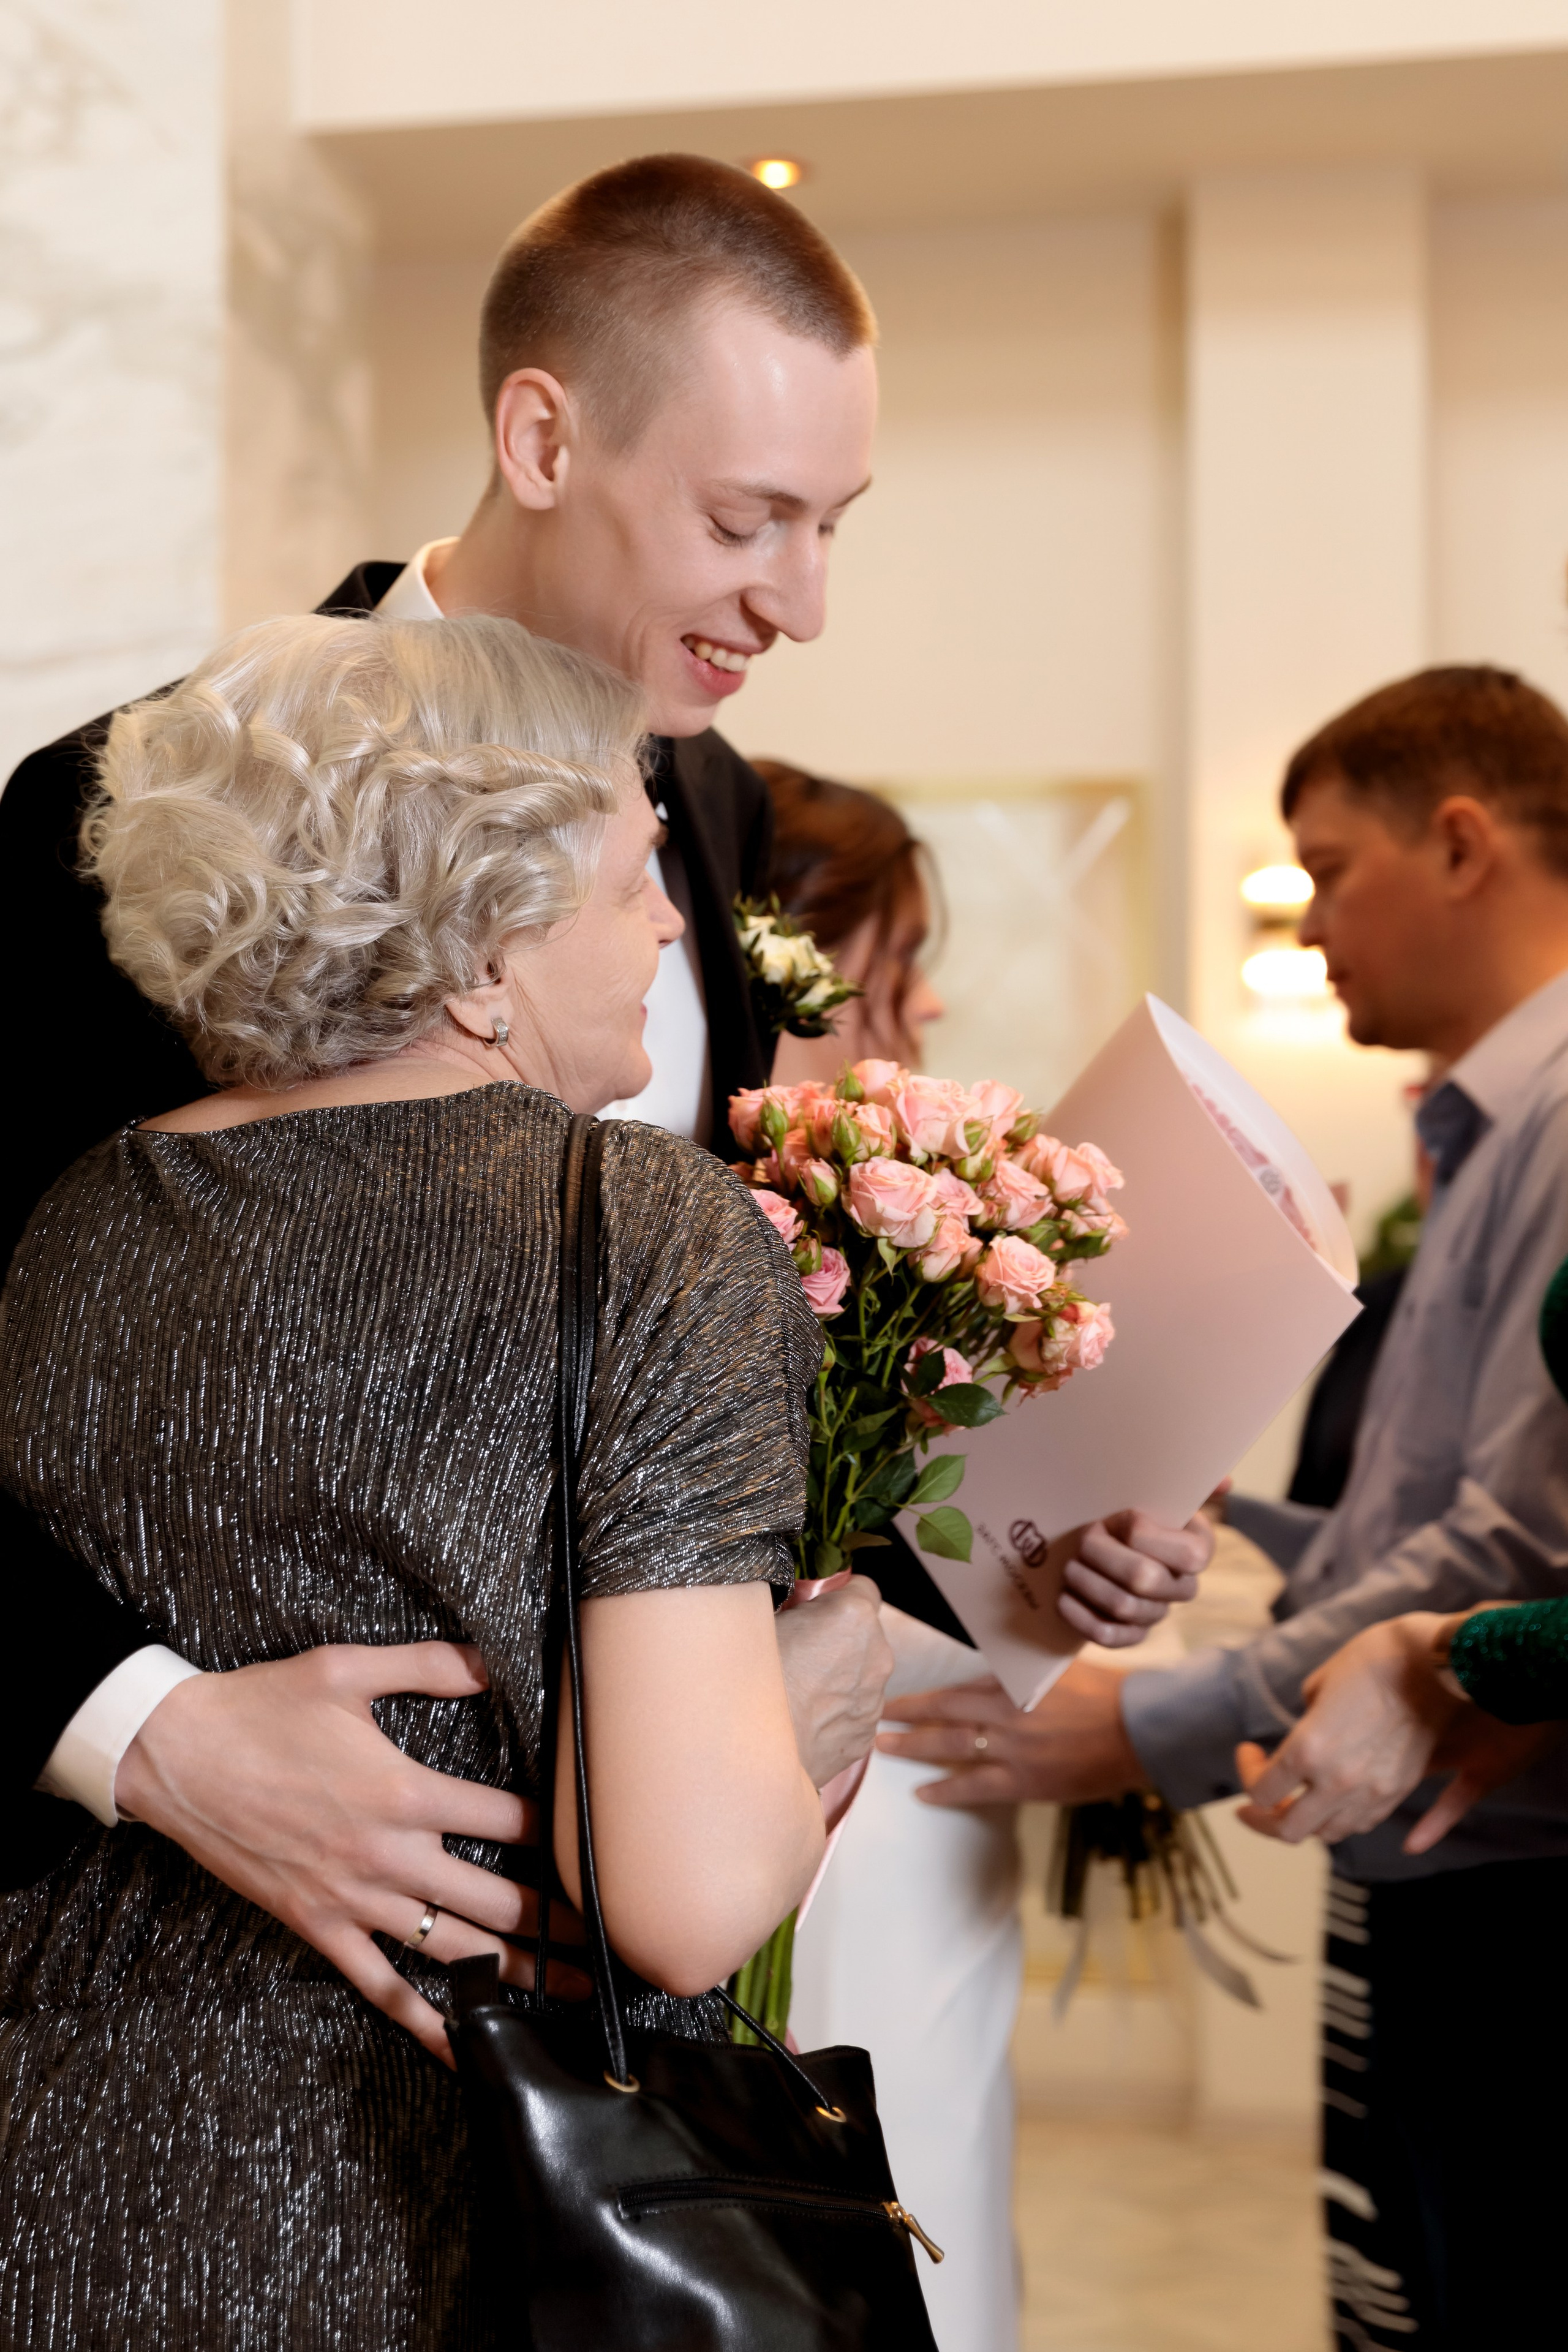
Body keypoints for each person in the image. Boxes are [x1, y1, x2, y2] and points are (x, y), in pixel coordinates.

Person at [2, 150, 1205, 2033]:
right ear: (543, 438)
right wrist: (150, 1737)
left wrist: (1038, 1536)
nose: (799, 604)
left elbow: (677, 1405)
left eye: (835, 526)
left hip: (628, 2014)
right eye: (750, 518)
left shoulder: (714, 809)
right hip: (214, 1976)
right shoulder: (123, 814)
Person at [0, 611, 861, 2345]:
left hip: (63, 2176)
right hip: (448, 2213)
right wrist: (819, 1692)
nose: (677, 923)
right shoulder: (640, 1224)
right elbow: (686, 1904)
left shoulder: (68, 1228)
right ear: (480, 944)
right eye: (632, 877)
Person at [881, 665, 1568, 2350]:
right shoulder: (1489, 1116)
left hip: (1515, 1877)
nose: (1313, 918)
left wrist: (1162, 1720)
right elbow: (1420, 1502)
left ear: (1463, 843)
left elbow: (1517, 1548)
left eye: (1329, 867)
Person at [755, 760, 1211, 2352]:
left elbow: (930, 1538)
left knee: (935, 2234)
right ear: (779, 966)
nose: (924, 1005)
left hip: (929, 1814)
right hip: (792, 1837)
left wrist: (1103, 1554)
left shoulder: (918, 1226)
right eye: (888, 964)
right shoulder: (685, 1222)